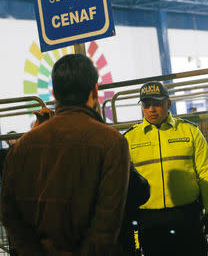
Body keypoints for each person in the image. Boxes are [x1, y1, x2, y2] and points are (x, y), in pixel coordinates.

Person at [1, 54, 130, 255]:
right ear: (95, 91)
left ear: (54, 93)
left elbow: (10, 214)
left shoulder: (22, 147)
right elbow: (107, 224)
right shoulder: (112, 142)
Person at [124, 81, 208, 256]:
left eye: (157, 103)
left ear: (168, 103)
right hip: (149, 221)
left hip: (187, 216)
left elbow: (206, 173)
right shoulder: (130, 139)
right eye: (146, 104)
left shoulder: (190, 132)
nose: (151, 109)